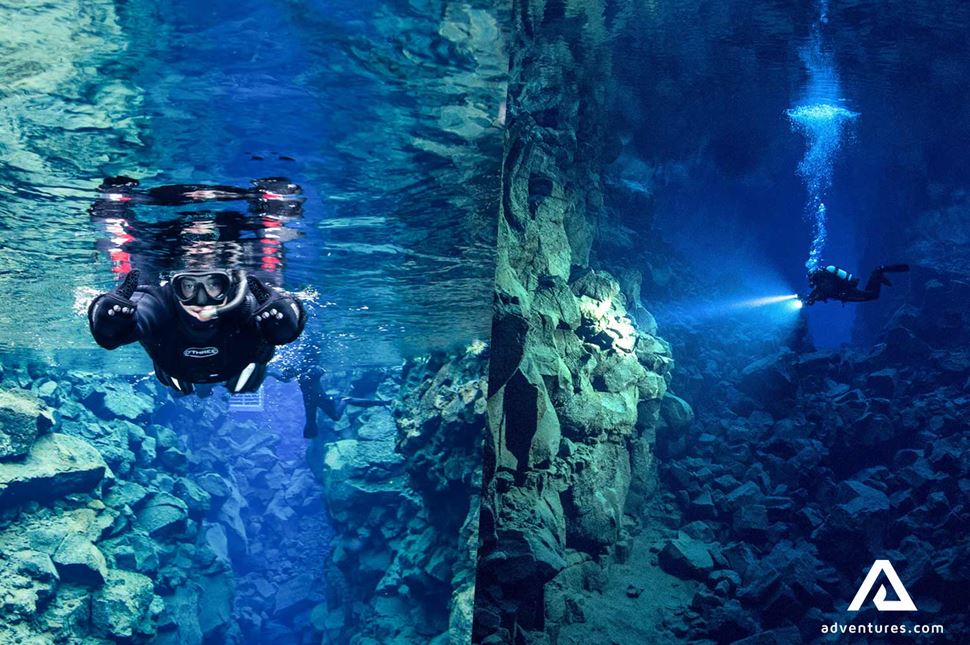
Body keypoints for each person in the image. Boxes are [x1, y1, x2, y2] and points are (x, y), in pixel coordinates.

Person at [88, 268, 305, 395]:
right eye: (189, 286)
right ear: (174, 286)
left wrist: (289, 320)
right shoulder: (159, 302)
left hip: (236, 361)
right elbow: (139, 313)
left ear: (228, 285)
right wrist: (110, 325)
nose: (201, 300)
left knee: (265, 343)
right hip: (174, 366)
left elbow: (284, 322)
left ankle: (252, 365)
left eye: (214, 285)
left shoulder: (246, 303)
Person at [297, 365, 391, 438]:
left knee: (334, 416)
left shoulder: (308, 373)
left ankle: (345, 400)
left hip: (320, 399)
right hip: (313, 400)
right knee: (312, 419)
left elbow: (321, 371)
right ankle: (382, 403)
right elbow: (285, 377)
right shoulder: (301, 374)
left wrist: (314, 371)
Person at [802, 263, 909, 305]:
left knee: (872, 295)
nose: (811, 283)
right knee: (872, 295)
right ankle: (877, 274)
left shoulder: (823, 282)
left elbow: (825, 292)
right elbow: (818, 294)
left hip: (847, 292)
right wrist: (808, 299)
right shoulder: (822, 282)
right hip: (846, 293)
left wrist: (811, 298)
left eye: (811, 280)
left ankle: (878, 271)